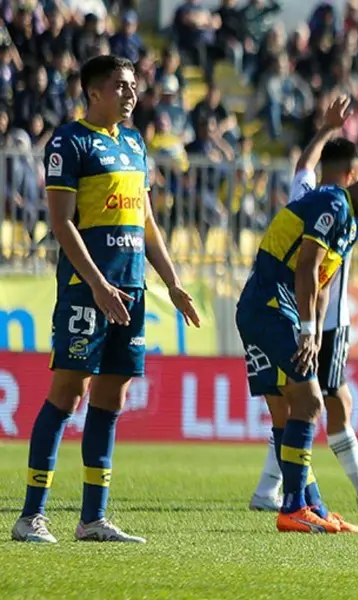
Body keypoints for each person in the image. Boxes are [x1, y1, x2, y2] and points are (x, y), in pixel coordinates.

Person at [12, 55, 202, 544]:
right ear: (93, 92)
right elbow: (61, 223)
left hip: (132, 289)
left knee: (112, 396)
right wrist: (97, 283)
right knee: (68, 392)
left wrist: (172, 281)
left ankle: (92, 519)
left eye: (133, 85)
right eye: (120, 85)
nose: (130, 93)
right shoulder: (69, 142)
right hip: (87, 289)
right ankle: (30, 516)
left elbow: (146, 221)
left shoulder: (135, 143)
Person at [247, 96, 358, 512]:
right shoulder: (340, 207)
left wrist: (327, 128)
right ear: (354, 176)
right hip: (319, 320)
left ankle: (280, 492)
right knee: (320, 403)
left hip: (295, 310)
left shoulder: (309, 194)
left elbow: (305, 166)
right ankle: (335, 492)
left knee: (299, 404)